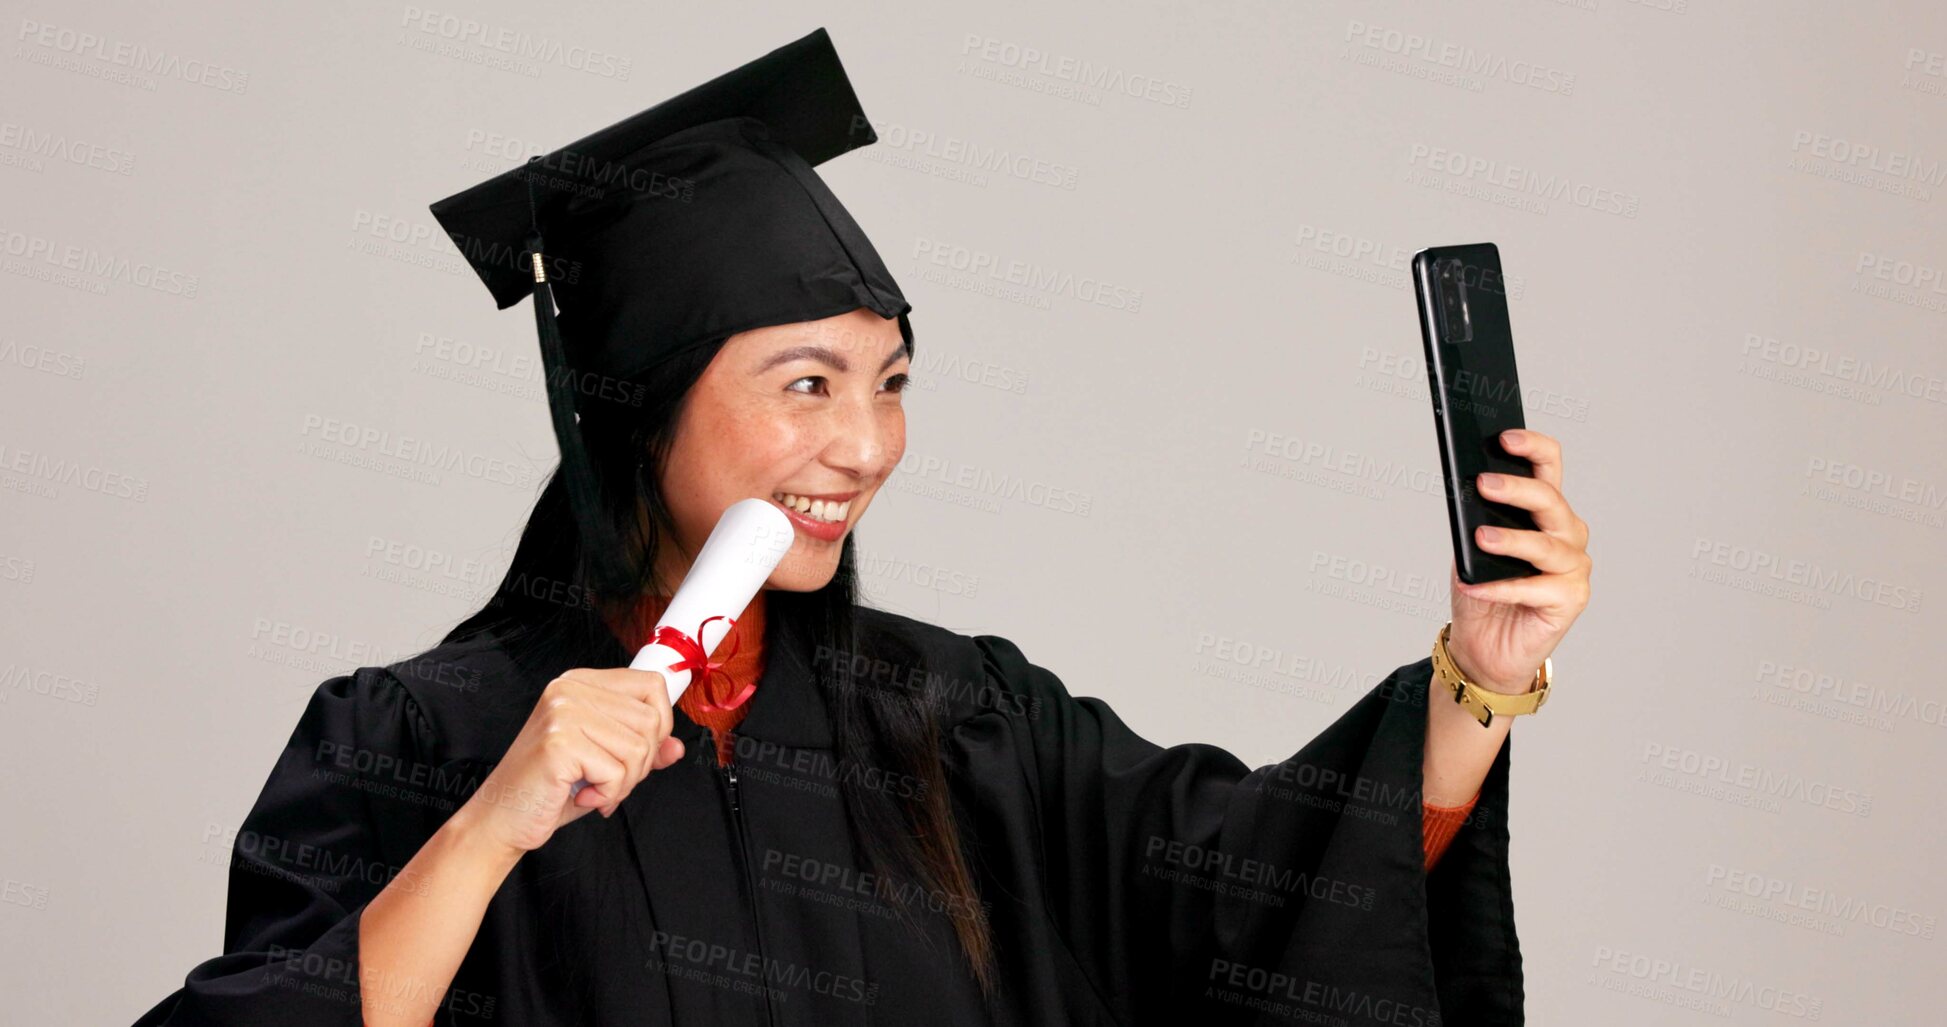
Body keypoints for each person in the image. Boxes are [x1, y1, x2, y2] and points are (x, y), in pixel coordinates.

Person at [131, 28, 1590, 1027]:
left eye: (890, 383)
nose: (868, 446)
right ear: (638, 406)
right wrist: (487, 834)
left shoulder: (961, 721)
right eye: (806, 384)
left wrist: (1479, 677)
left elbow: (1264, 901)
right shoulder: (410, 739)